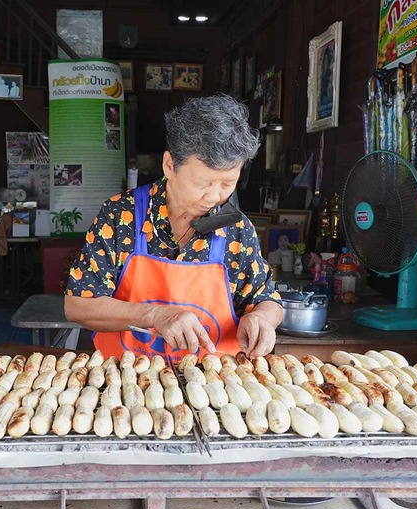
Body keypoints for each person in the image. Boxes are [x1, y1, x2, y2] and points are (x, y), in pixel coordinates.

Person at [64, 94, 283, 359]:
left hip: (214, 378)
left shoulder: (237, 230)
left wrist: (262, 319)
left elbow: (266, 299)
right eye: (202, 183)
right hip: (125, 376)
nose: (214, 196)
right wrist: (155, 314)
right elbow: (78, 305)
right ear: (169, 165)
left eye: (227, 184)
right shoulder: (120, 216)